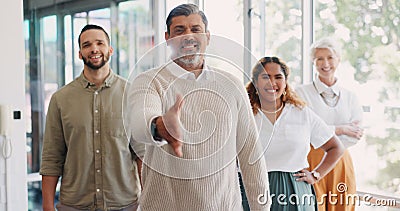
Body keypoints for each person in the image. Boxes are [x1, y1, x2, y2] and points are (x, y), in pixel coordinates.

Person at [127, 4, 270, 211]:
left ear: (207, 36)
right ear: (167, 37)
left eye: (195, 29)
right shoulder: (149, 81)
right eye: (179, 30)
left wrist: (262, 208)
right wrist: (159, 127)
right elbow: (140, 123)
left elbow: (250, 153)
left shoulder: (231, 84)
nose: (188, 36)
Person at [40, 24, 144, 211]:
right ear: (80, 53)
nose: (94, 49)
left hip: (124, 204)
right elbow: (51, 158)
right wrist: (47, 205)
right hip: (74, 205)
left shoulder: (132, 95)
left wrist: (149, 200)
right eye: (86, 45)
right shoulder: (60, 99)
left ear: (110, 49)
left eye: (99, 43)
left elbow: (142, 154)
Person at [245, 56, 345, 210]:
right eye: (265, 77)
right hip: (251, 190)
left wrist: (316, 175)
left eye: (278, 77)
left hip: (295, 192)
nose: (272, 82)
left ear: (285, 83)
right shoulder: (244, 113)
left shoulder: (301, 113)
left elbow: (336, 147)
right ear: (255, 82)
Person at [296, 38, 364, 211]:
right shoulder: (301, 93)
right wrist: (341, 129)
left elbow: (355, 136)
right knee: (313, 205)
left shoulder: (351, 97)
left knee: (343, 206)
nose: (325, 63)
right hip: (311, 162)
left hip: (341, 162)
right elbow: (304, 130)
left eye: (330, 57)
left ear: (338, 60)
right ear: (313, 62)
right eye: (319, 58)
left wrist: (325, 131)